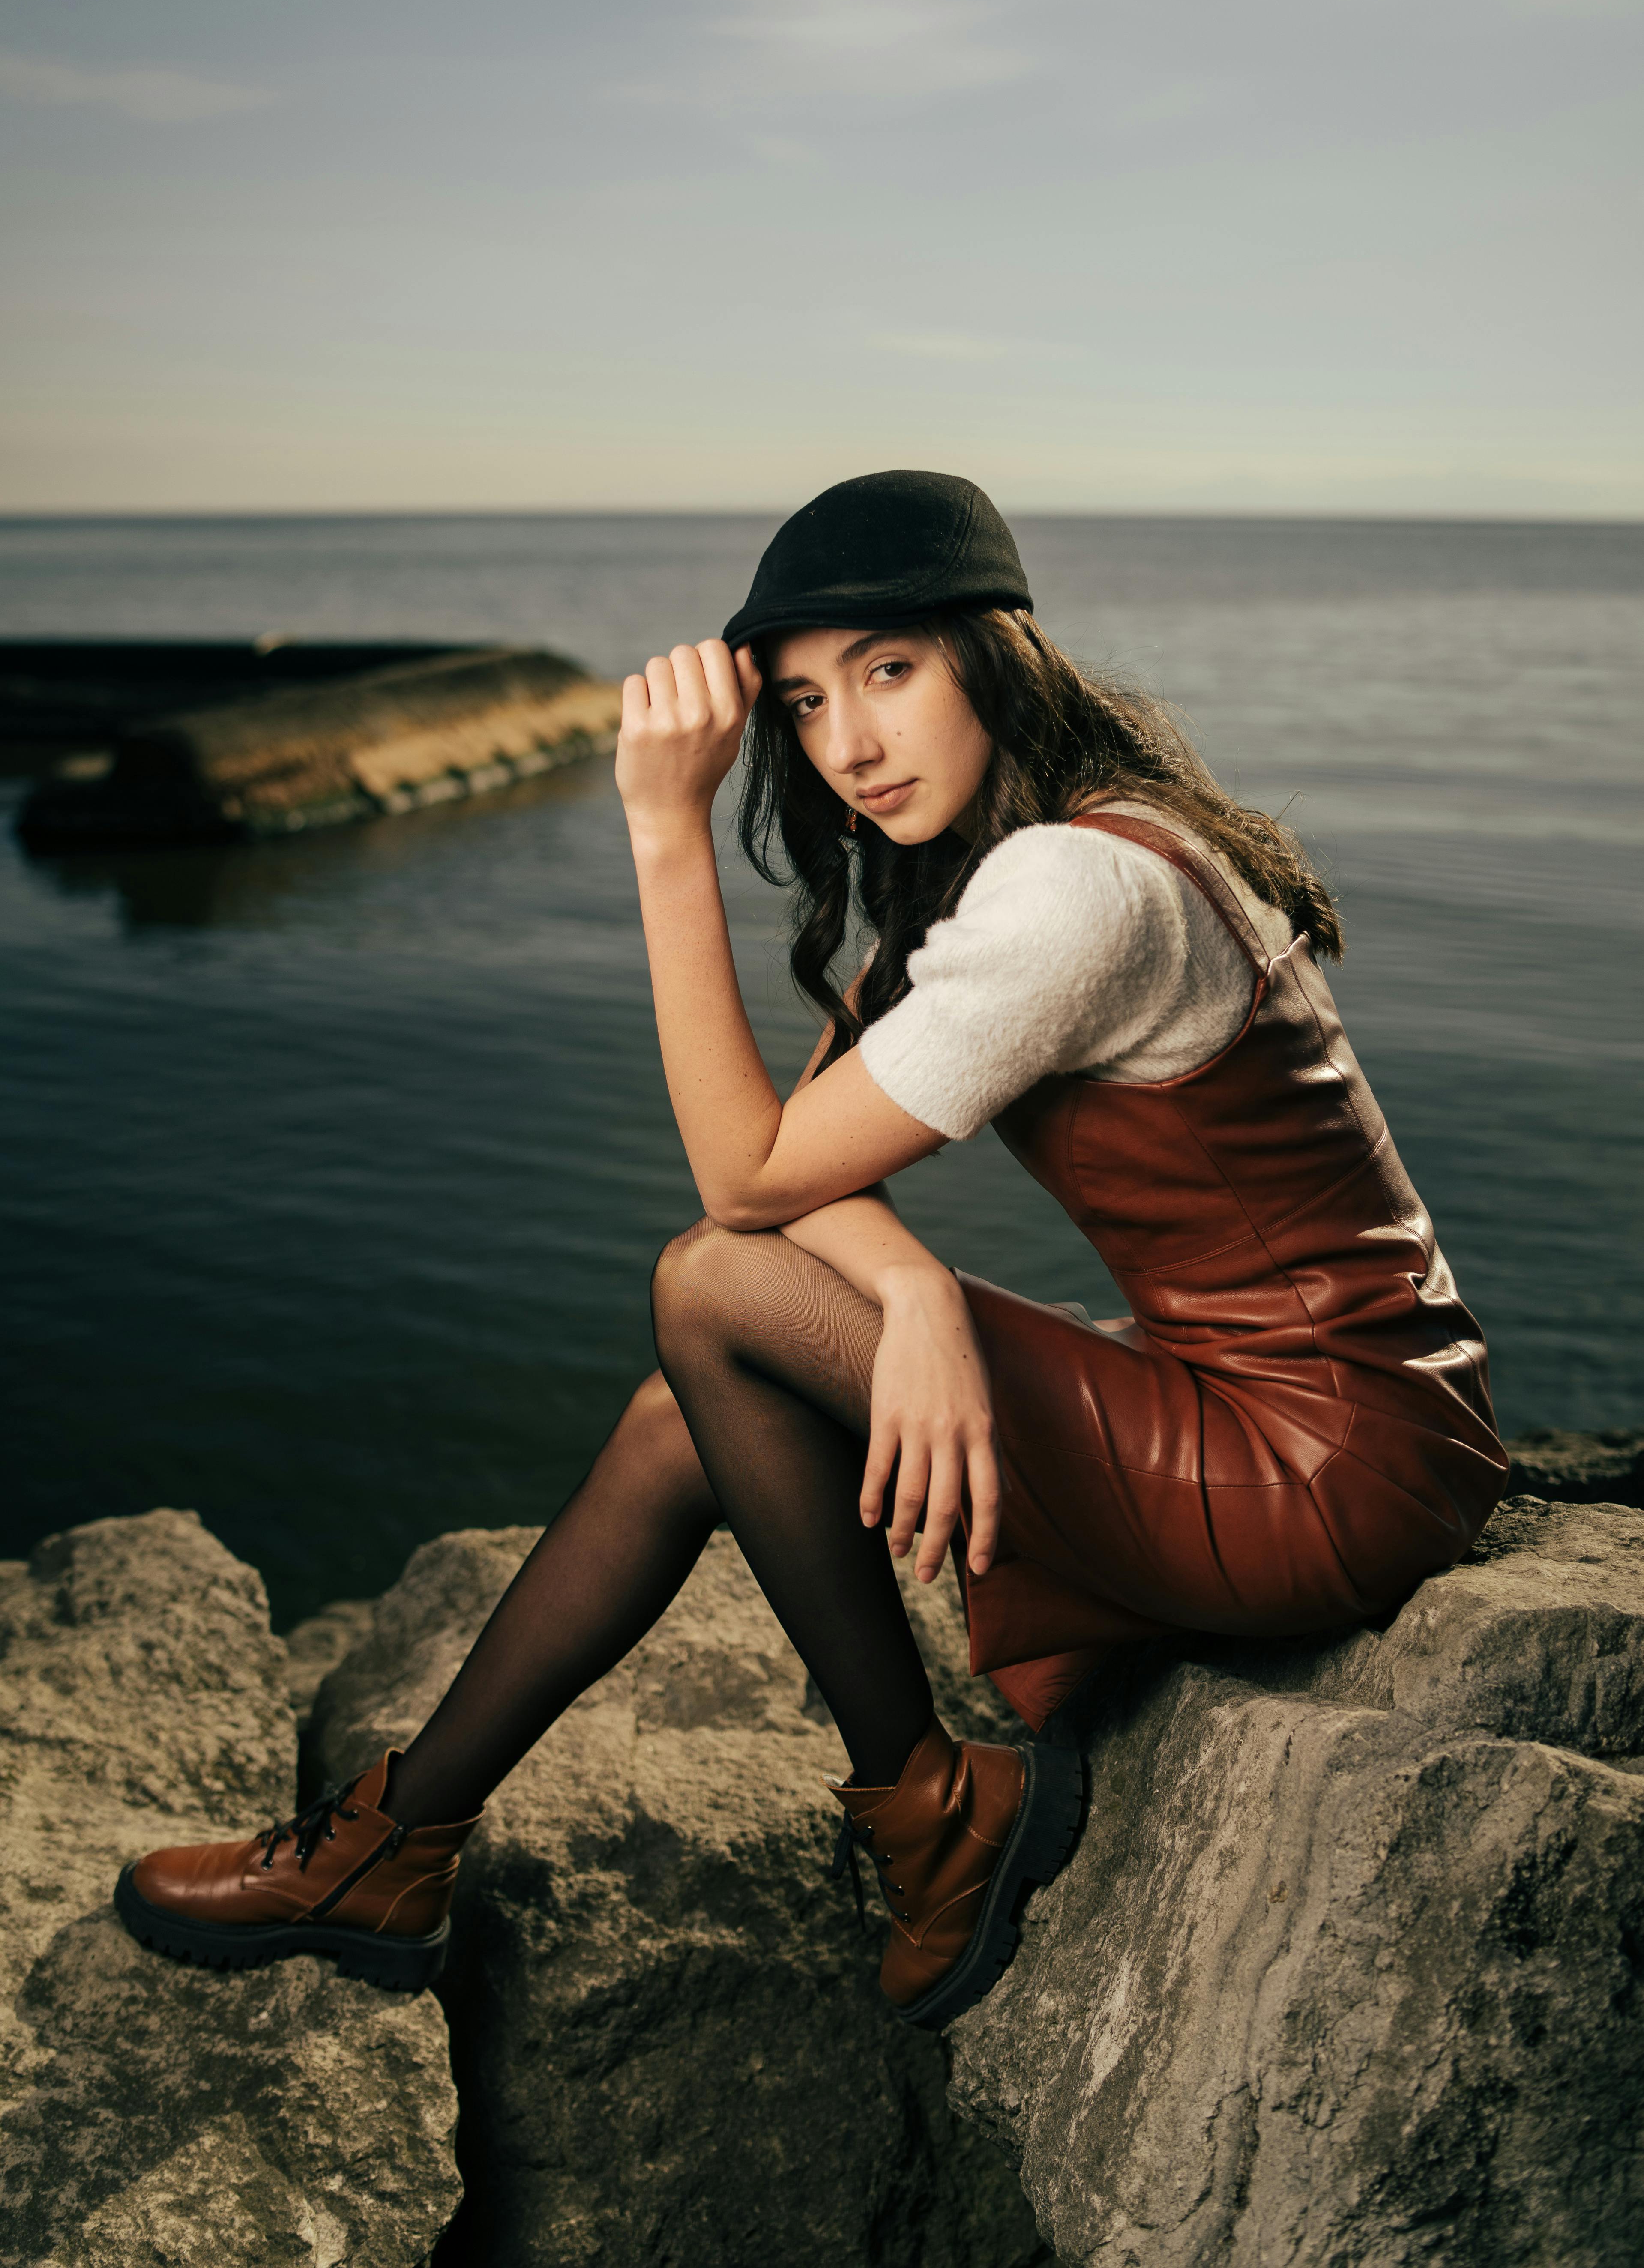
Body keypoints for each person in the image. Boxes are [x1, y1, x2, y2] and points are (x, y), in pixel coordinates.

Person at [114, 471, 1505, 2032]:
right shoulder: (1045, 843)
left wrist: (661, 829)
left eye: (889, 671)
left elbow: (740, 1186)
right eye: (799, 702)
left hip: (1320, 1467)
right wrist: (909, 1286)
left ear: (996, 655)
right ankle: (393, 1843)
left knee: (710, 1287)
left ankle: (925, 1806)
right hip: (1329, 1414)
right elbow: (796, 1163)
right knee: (686, 1408)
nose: (846, 742)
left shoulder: (1074, 890)